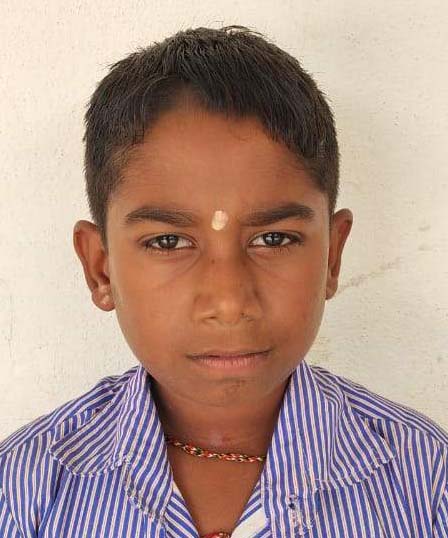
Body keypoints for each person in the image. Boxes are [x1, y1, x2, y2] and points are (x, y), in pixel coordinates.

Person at [0, 24, 447, 538]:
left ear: (331, 255)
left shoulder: (427, 484)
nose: (229, 302)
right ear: (100, 268)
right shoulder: (23, 493)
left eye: (273, 239)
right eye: (168, 241)